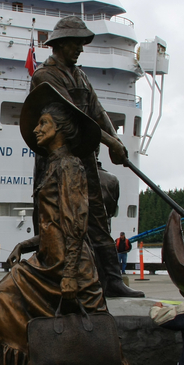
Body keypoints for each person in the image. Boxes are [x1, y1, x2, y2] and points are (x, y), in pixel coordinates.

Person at [0, 83, 150, 365]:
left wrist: (70, 274)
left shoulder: (70, 166)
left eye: (44, 124)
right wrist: (26, 244)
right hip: (46, 261)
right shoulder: (53, 166)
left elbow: (76, 223)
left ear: (62, 130)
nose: (36, 129)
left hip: (69, 266)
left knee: (96, 340)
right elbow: (54, 223)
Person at [30, 15, 144, 299]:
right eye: (76, 43)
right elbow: (74, 117)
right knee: (54, 218)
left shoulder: (79, 75)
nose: (81, 48)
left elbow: (97, 111)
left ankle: (112, 280)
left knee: (97, 218)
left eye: (82, 43)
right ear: (61, 44)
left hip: (85, 158)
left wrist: (116, 141)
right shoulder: (45, 76)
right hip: (57, 161)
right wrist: (110, 142)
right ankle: (54, 277)